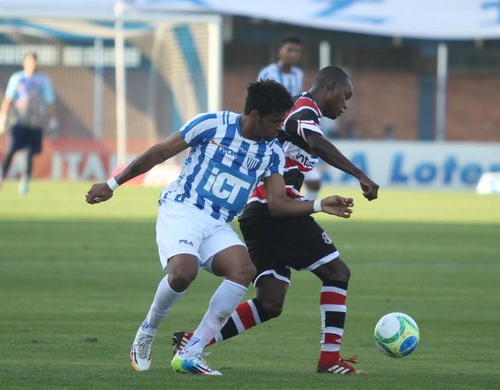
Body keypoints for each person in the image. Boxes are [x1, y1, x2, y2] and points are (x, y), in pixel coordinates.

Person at [84, 80, 355, 376]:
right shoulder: (212, 124)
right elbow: (159, 152)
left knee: (243, 269)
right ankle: (147, 332)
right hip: (183, 207)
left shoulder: (272, 153)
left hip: (217, 222)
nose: (281, 128)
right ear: (254, 116)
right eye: (276, 121)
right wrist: (113, 185)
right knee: (183, 273)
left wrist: (319, 205)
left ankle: (191, 352)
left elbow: (277, 205)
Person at [173, 66, 380, 375]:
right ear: (331, 87)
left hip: (256, 213)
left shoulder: (300, 113)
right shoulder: (302, 109)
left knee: (270, 302)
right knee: (337, 273)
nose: (346, 105)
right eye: (345, 97)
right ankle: (329, 360)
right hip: (274, 210)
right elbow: (316, 143)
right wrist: (360, 174)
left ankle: (193, 343)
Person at [257, 35, 322, 200]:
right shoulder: (267, 72)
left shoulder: (298, 74)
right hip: (273, 133)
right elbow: (257, 101)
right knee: (269, 180)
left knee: (313, 181)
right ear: (280, 51)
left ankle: (300, 209)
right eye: (290, 50)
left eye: (297, 51)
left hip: (292, 133)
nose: (293, 54)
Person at [0, 52, 58, 195]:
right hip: (19, 122)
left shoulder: (43, 80)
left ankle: (25, 182)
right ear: (24, 63)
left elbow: (49, 101)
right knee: (11, 150)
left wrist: (53, 121)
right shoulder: (17, 78)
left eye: (34, 61)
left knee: (29, 152)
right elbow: (8, 98)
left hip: (35, 124)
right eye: (29, 61)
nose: (32, 64)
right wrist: (2, 116)